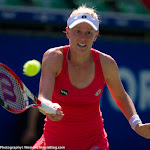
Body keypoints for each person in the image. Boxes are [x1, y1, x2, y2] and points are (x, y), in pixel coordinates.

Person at [32, 5, 150, 150]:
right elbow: (43, 97)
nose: (83, 37)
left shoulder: (107, 63)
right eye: (77, 31)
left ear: (96, 35)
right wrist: (50, 107)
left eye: (88, 32)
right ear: (68, 32)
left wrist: (136, 124)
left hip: (94, 142)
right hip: (54, 141)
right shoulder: (53, 57)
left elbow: (121, 96)